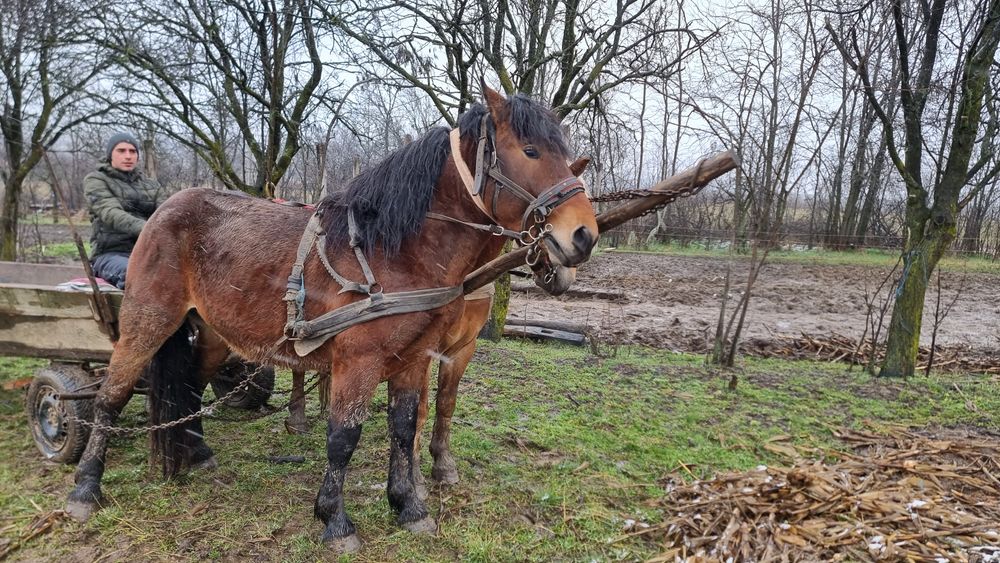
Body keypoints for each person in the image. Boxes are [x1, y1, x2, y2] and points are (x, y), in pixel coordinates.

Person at [85, 132, 169, 289]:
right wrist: (150, 229)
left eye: (132, 151)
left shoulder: (152, 186)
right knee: (137, 275)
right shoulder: (96, 180)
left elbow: (167, 215)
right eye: (121, 151)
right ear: (111, 154)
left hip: (149, 252)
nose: (128, 156)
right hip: (111, 254)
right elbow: (111, 213)